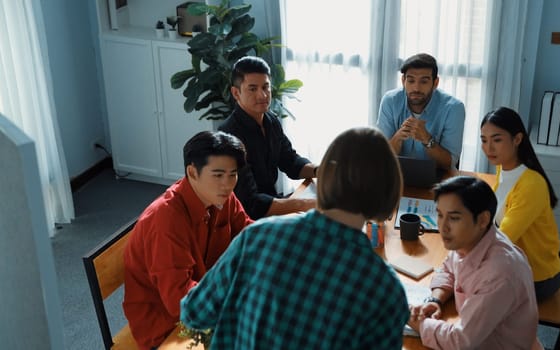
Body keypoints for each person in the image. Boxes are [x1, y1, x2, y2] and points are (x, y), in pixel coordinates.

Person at [180, 127, 409, 349]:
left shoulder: (258, 236)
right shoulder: (385, 290)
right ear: (388, 191)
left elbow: (194, 312)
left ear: (326, 174)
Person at [123, 131, 254, 350]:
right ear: (192, 172)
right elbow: (179, 302)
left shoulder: (221, 196)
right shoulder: (166, 219)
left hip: (204, 295)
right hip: (167, 324)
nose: (228, 184)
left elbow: (249, 236)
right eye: (218, 174)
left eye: (233, 174)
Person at [408, 176, 542, 349]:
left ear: (483, 220)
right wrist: (435, 300)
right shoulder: (472, 239)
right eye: (440, 215)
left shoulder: (500, 273)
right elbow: (449, 267)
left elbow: (460, 341)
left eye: (454, 218)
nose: (443, 226)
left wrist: (412, 319)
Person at [218, 56, 317, 220]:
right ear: (236, 93)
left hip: (271, 206)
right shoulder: (229, 136)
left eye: (266, 87)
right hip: (244, 221)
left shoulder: (271, 120)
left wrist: (320, 170)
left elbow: (290, 161)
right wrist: (306, 204)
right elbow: (251, 204)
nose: (262, 95)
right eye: (252, 89)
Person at [480, 106, 560, 301]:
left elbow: (503, 238)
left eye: (497, 140)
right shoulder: (503, 168)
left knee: (468, 287)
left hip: (537, 276)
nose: (488, 148)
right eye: (484, 140)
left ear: (517, 139)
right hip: (511, 263)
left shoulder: (531, 184)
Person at [376, 53, 465, 170]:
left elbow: (449, 163)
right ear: (403, 81)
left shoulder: (454, 108)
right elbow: (381, 158)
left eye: (424, 82)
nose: (416, 88)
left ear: (435, 83)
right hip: (398, 177)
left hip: (438, 180)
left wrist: (427, 140)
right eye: (411, 81)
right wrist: (398, 137)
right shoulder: (390, 101)